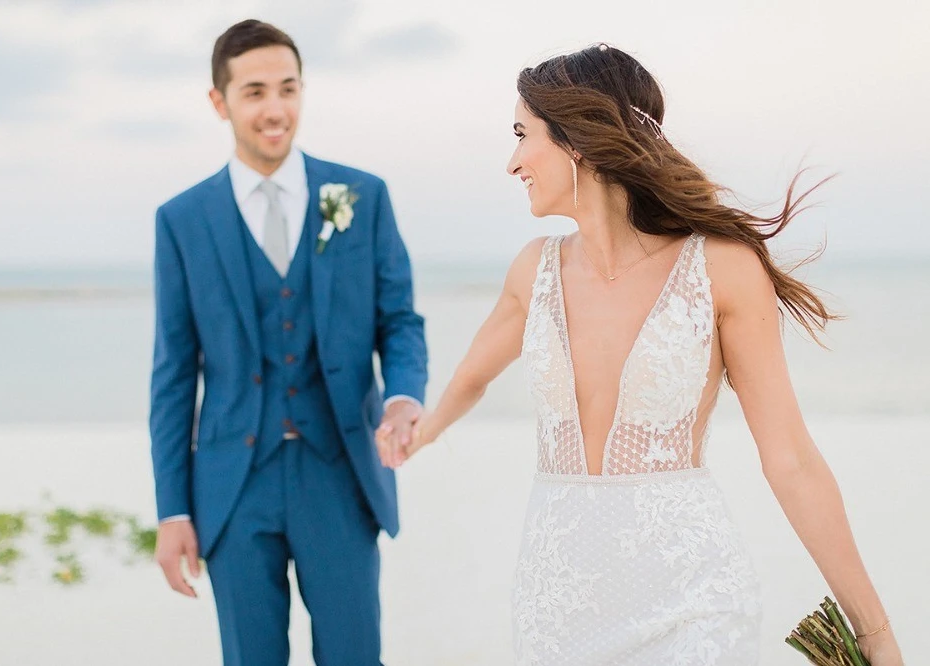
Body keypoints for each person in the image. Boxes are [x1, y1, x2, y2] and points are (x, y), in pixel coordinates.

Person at [378, 44, 904, 665]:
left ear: (576, 141)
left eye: (523, 135)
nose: (512, 161)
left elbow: (790, 459)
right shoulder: (533, 272)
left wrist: (873, 631)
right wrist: (421, 430)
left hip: (692, 601)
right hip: (556, 606)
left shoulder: (721, 269)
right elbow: (471, 376)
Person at [149, 19, 427, 666]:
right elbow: (171, 377)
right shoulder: (182, 220)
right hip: (231, 485)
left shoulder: (360, 195)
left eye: (288, 88)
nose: (275, 109)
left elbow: (400, 322)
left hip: (340, 474)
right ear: (219, 102)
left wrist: (404, 397)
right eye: (253, 92)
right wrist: (172, 510)